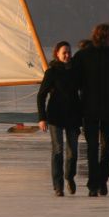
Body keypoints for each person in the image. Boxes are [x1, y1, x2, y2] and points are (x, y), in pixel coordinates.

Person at [71, 23, 109, 197]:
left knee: (106, 147)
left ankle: (102, 181)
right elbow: (75, 79)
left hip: (108, 109)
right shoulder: (84, 55)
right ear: (103, 35)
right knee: (93, 147)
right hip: (89, 108)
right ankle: (93, 183)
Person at [37, 41, 81, 196]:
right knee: (58, 151)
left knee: (73, 152)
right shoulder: (52, 72)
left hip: (73, 116)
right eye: (64, 53)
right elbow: (41, 95)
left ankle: (69, 176)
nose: (67, 55)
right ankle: (58, 186)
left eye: (69, 52)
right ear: (57, 54)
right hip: (55, 116)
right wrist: (42, 118)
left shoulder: (76, 71)